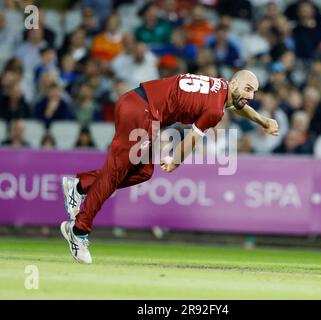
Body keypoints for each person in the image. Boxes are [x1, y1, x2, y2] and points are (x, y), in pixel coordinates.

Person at [60, 70, 279, 264]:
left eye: (254, 92)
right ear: (233, 84)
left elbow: (237, 105)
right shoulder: (215, 108)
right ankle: (78, 231)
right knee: (114, 173)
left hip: (139, 106)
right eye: (248, 89)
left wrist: (263, 121)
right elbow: (193, 138)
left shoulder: (220, 87)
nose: (250, 96)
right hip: (141, 111)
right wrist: (175, 160)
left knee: (143, 172)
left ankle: (80, 185)